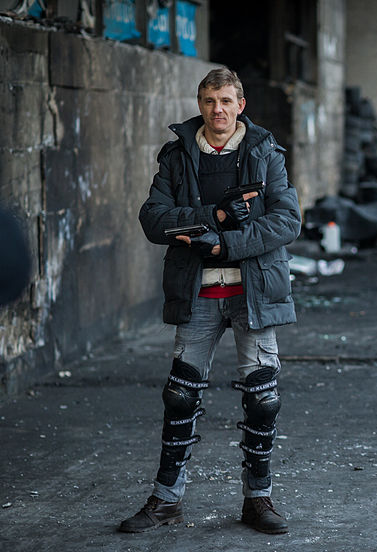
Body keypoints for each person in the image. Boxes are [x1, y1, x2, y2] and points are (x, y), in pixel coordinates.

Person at [119, 67, 301, 535]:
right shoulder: (177, 156)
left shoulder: (265, 153)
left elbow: (287, 221)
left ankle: (258, 500)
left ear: (241, 106)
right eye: (208, 101)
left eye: (225, 101)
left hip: (254, 292)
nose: (216, 110)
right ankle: (166, 500)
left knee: (263, 400)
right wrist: (214, 215)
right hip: (197, 291)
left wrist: (226, 245)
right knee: (179, 395)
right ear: (199, 104)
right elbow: (154, 220)